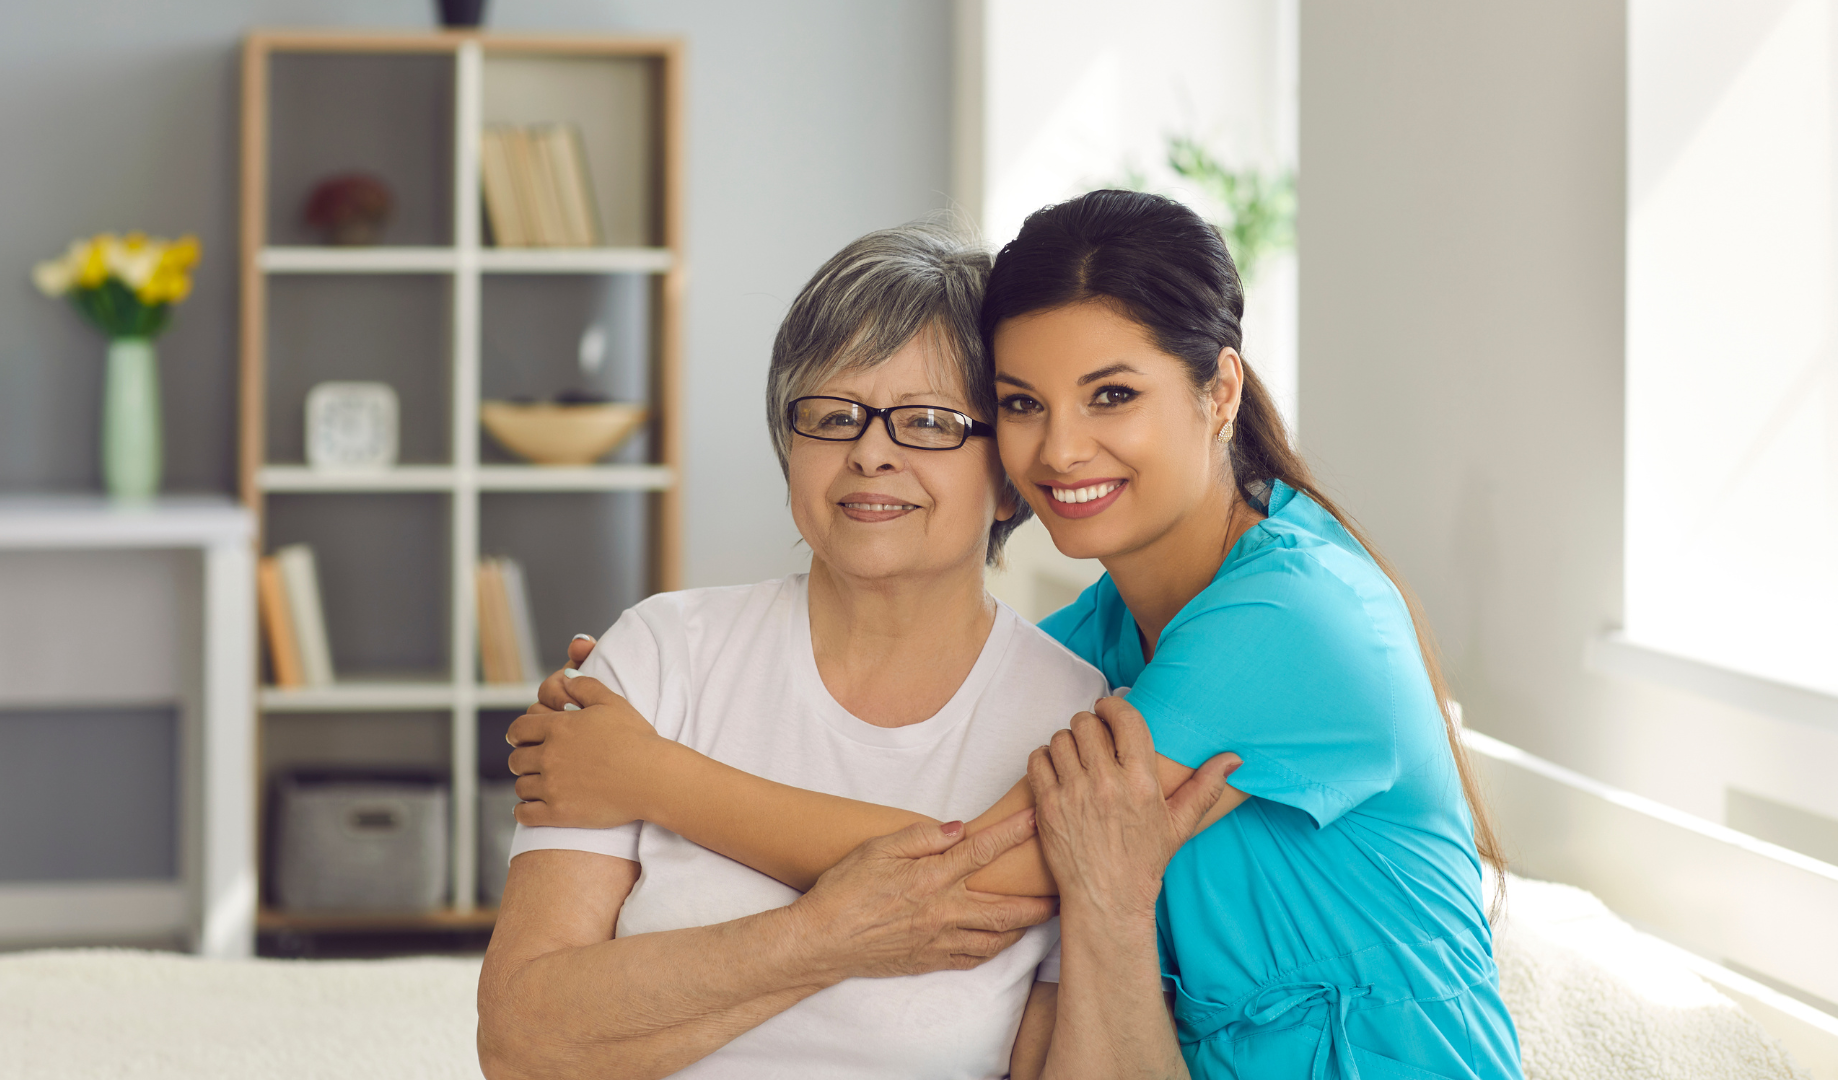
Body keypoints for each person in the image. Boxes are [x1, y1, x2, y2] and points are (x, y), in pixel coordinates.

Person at [515, 190, 1524, 1079]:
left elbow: (973, 878)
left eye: (1112, 396)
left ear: (1219, 392)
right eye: (1022, 405)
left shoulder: (1293, 619)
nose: (1062, 446)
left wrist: (646, 773)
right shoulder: (1091, 647)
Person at [474, 219, 1242, 1080]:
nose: (871, 452)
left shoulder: (1070, 724)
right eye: (833, 416)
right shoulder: (654, 659)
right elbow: (520, 1040)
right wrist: (825, 937)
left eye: (927, 421)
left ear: (1008, 480)